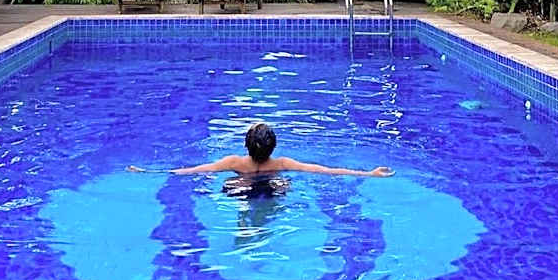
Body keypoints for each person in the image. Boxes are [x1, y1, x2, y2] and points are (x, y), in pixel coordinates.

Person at [128, 122, 394, 178]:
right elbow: (326, 170)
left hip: (243, 182)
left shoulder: (235, 162)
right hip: (272, 184)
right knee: (280, 188)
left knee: (238, 188)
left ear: (246, 144)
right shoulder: (281, 164)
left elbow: (193, 170)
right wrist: (368, 174)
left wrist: (148, 171)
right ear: (273, 146)